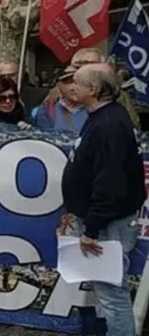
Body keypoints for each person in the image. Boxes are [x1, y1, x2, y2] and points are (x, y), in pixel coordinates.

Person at [60, 63, 145, 336]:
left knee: (111, 291)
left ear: (93, 90)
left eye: (77, 83)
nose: (72, 87)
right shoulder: (103, 116)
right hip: (104, 220)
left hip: (109, 224)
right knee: (107, 289)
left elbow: (110, 183)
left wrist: (92, 228)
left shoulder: (110, 125)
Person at [43, 48, 140, 127]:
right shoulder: (56, 92)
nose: (83, 70)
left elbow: (133, 128)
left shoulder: (119, 96)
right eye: (78, 66)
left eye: (91, 65)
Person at [33, 66, 88, 134]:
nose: (74, 87)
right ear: (58, 84)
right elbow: (46, 139)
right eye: (68, 82)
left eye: (79, 82)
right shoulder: (47, 110)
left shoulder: (95, 108)